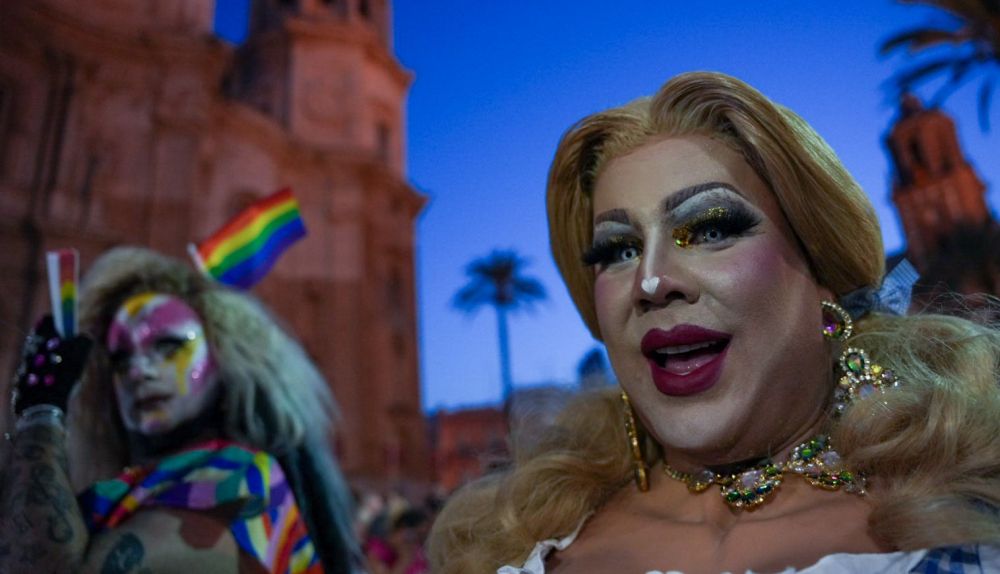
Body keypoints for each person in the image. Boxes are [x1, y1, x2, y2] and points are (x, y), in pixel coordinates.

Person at [427, 71, 1000, 573]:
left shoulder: (975, 513)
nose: (651, 281)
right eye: (619, 250)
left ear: (821, 270)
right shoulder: (511, 545)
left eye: (710, 229)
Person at [1, 246, 362, 573]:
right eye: (121, 358)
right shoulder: (130, 486)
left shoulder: (237, 474)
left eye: (168, 346)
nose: (138, 371)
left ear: (222, 361)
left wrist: (41, 414)